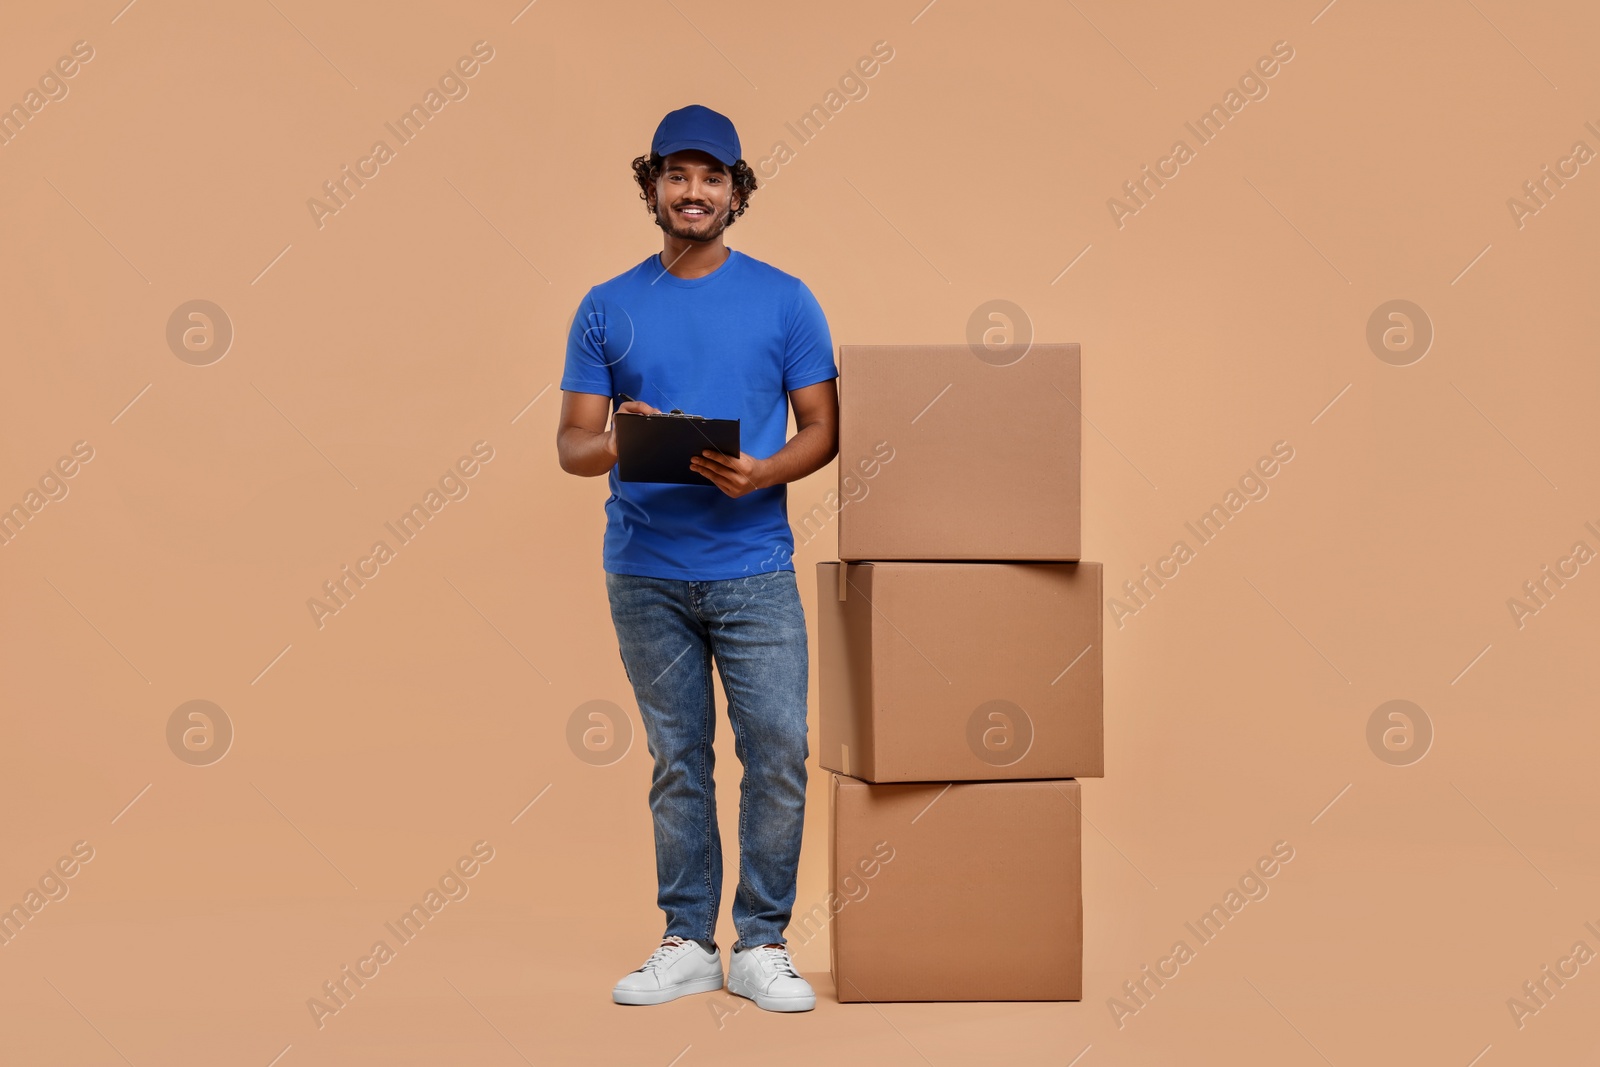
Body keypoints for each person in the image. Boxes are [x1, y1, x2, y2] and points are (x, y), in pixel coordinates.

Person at [555, 104, 839, 1013]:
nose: (694, 191)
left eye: (711, 177)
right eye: (677, 175)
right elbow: (570, 443)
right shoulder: (608, 305)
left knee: (780, 751)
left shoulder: (785, 299)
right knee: (679, 757)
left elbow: (824, 427)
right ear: (652, 188)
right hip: (645, 570)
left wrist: (762, 473)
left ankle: (762, 942)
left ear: (735, 193)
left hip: (754, 562)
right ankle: (687, 939)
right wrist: (620, 437)